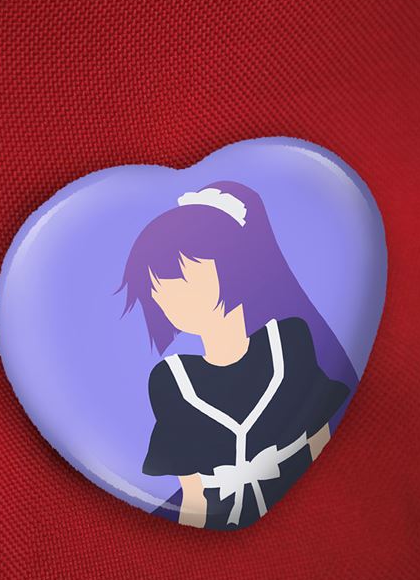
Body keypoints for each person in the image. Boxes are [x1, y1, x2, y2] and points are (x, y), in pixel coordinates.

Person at [116, 181, 356, 529]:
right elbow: (193, 494)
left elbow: (320, 438)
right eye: (156, 288)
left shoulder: (288, 342)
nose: (165, 296)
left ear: (233, 263)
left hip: (317, 516)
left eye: (178, 276)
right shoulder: (171, 382)